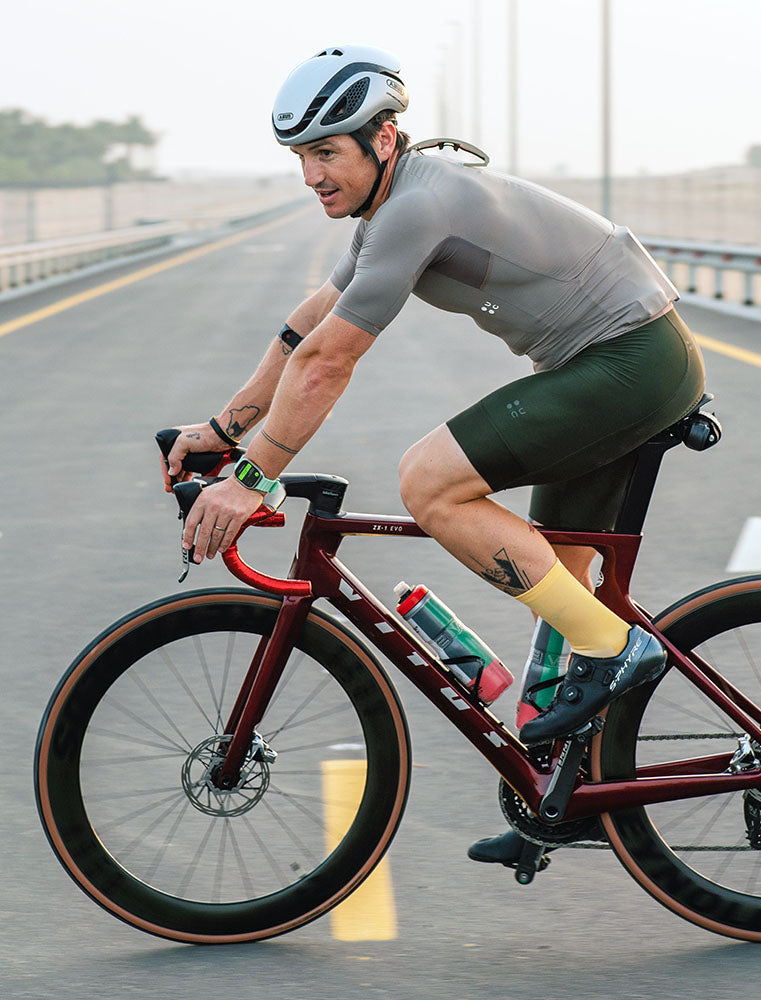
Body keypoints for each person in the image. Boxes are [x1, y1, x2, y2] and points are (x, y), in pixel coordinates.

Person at [161, 44, 706, 868]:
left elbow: (328, 362)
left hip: (630, 360)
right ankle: (569, 796)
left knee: (431, 482)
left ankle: (617, 652)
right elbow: (311, 324)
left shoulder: (421, 203)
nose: (311, 175)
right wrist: (225, 429)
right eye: (301, 158)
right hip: (604, 362)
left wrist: (251, 478)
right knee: (555, 579)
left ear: (384, 140)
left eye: (325, 153)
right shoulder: (390, 209)